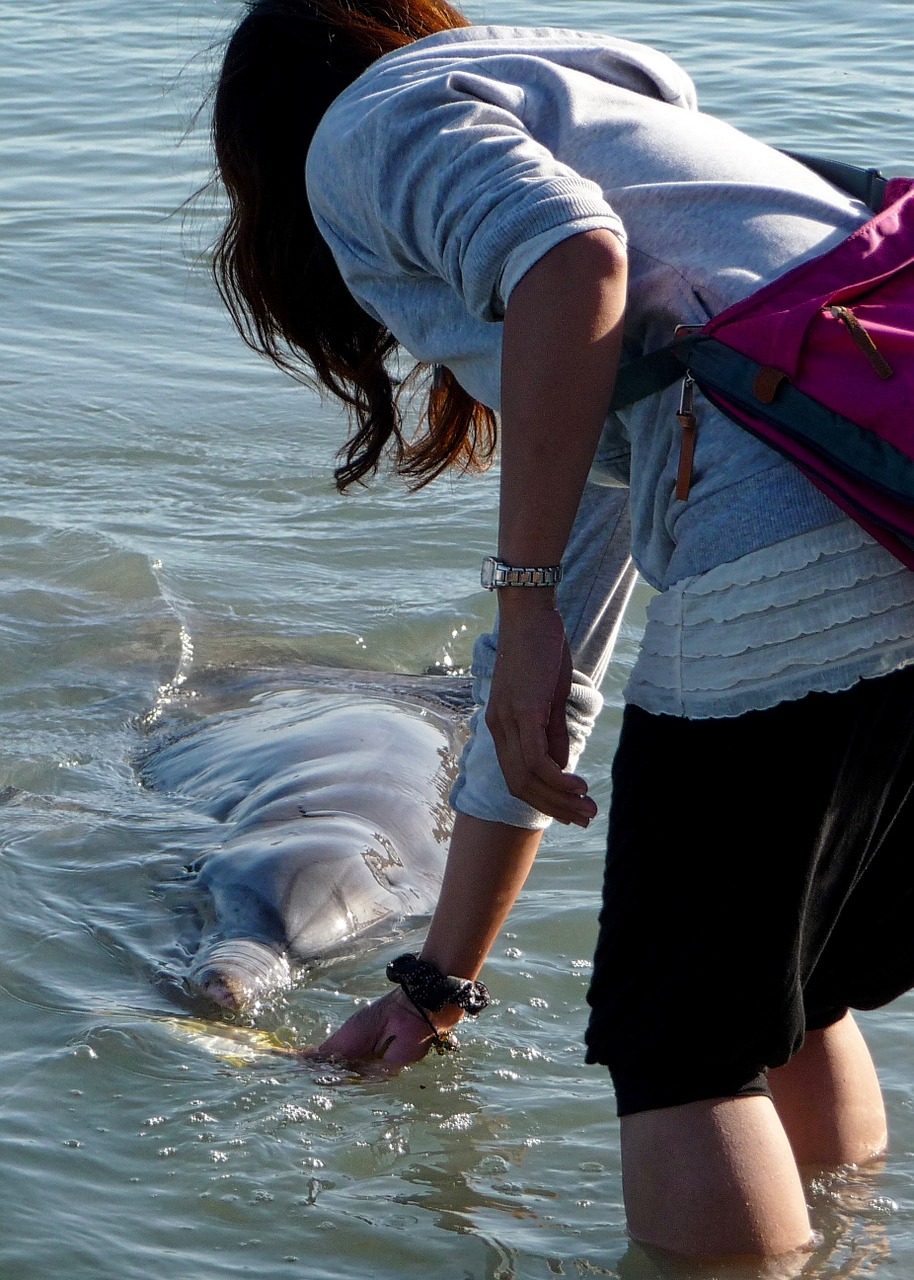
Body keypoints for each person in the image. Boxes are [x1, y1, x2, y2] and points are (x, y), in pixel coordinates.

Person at [210, 0, 914, 1259]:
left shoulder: (369, 127)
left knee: (684, 1051)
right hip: (890, 507)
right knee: (790, 1000)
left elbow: (566, 254)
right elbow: (548, 686)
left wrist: (519, 593)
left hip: (791, 541)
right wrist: (432, 986)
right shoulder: (643, 172)